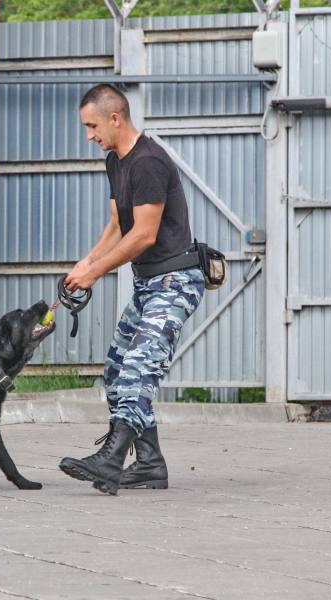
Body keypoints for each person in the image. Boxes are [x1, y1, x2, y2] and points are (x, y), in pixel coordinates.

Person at [58, 84, 205, 495]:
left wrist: (97, 272)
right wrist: (84, 265)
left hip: (176, 282)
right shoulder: (116, 162)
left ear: (115, 118)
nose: (89, 135)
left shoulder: (148, 163)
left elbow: (142, 236)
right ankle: (150, 465)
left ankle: (112, 459)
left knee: (139, 368)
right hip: (148, 284)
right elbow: (118, 225)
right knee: (117, 370)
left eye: (92, 125)